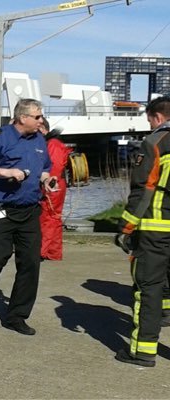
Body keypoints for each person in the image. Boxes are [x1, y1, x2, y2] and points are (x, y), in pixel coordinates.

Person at [0, 98, 57, 335]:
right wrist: (4, 171)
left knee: (30, 263)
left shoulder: (39, 139)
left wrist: (47, 180)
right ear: (22, 118)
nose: (41, 121)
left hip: (29, 211)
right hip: (1, 211)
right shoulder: (0, 137)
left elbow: (44, 168)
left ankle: (16, 316)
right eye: (37, 117)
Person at [115, 95, 170, 367]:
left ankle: (143, 351)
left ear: (158, 117)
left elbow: (143, 190)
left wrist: (124, 227)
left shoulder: (154, 144)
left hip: (156, 229)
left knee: (147, 288)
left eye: (149, 120)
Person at [39, 117, 71, 261]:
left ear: (42, 129)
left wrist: (48, 186)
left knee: (48, 217)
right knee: (53, 218)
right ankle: (53, 252)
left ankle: (41, 251)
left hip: (53, 185)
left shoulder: (52, 144)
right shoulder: (53, 143)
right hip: (56, 184)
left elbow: (54, 167)